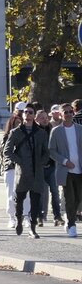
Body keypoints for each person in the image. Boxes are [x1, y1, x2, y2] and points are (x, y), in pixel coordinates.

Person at [3, 106, 47, 236]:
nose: (28, 114)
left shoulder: (41, 133)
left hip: (37, 172)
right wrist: (19, 161)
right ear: (22, 115)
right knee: (19, 199)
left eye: (30, 112)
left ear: (34, 115)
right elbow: (7, 151)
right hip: (22, 172)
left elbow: (46, 152)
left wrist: (41, 162)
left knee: (35, 200)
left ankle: (32, 228)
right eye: (25, 112)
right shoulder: (16, 132)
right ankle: (19, 220)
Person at [49, 102, 82, 238]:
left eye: (70, 111)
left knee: (79, 198)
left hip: (80, 169)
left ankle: (69, 218)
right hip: (65, 170)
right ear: (61, 115)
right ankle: (72, 225)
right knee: (70, 197)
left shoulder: (80, 128)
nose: (68, 114)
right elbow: (51, 150)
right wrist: (64, 161)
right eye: (65, 112)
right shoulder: (56, 131)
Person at [35, 107, 62, 227]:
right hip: (40, 167)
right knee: (40, 193)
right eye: (42, 118)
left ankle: (57, 216)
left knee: (55, 192)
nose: (45, 120)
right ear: (36, 119)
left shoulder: (52, 130)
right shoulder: (34, 132)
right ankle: (40, 216)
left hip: (52, 166)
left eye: (46, 118)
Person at [1, 108, 24, 228]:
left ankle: (26, 216)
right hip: (10, 167)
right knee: (12, 193)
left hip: (23, 168)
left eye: (20, 124)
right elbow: (5, 153)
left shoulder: (25, 136)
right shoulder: (7, 137)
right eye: (16, 124)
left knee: (26, 194)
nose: (18, 126)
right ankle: (12, 217)